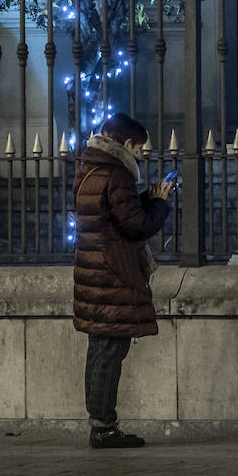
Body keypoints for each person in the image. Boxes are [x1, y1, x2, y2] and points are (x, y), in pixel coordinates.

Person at [72, 113, 175, 449]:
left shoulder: (91, 167)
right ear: (128, 144)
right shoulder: (116, 174)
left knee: (100, 351)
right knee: (108, 353)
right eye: (140, 148)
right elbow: (136, 226)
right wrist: (159, 203)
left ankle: (102, 424)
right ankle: (103, 428)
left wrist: (144, 198)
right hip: (112, 274)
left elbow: (112, 215)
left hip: (95, 269)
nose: (142, 155)